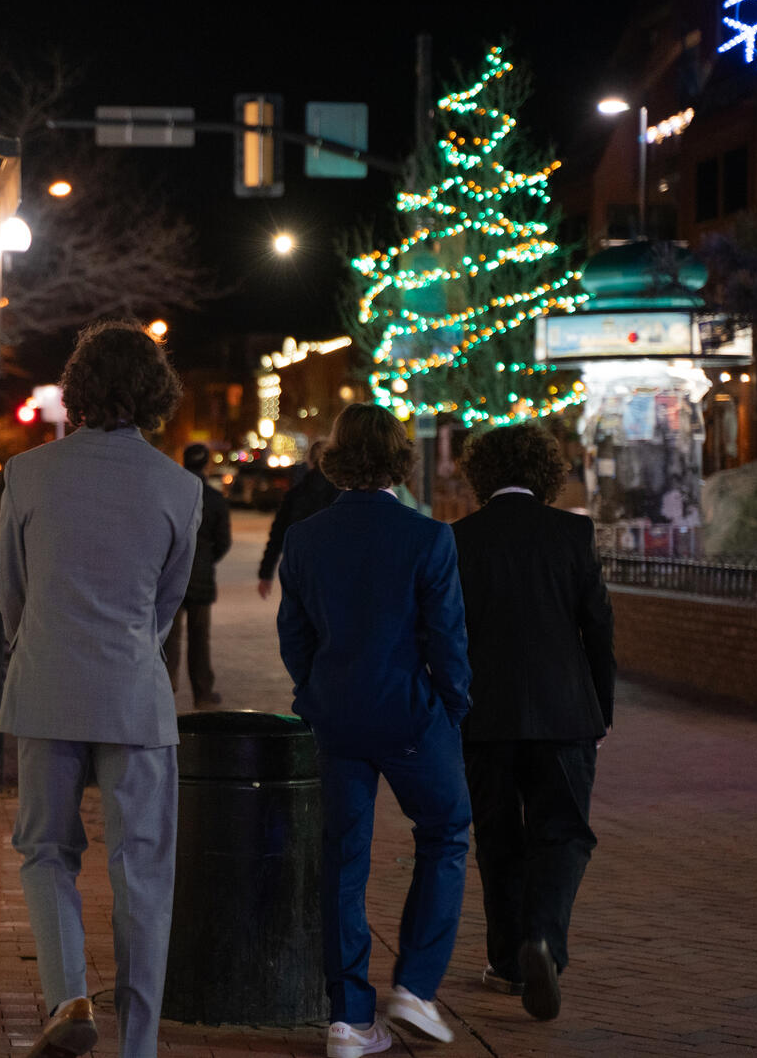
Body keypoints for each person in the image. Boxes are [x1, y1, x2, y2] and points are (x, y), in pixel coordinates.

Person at [0, 320, 202, 1058]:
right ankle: (139, 1043)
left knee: (46, 848)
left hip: (47, 684)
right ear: (155, 394)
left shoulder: (28, 474)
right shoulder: (181, 488)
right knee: (142, 868)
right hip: (134, 696)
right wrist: (129, 651)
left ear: (78, 389)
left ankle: (70, 992)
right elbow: (165, 605)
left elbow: (10, 594)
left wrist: (42, 643)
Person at [275, 404, 471, 1058]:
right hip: (412, 714)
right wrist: (452, 705)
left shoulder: (305, 539)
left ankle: (349, 1017)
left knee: (343, 860)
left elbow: (295, 638)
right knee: (444, 833)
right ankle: (415, 983)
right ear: (398, 458)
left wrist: (315, 691)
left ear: (336, 457)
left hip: (335, 717)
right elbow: (447, 640)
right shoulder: (429, 538)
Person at [452, 424, 615, 1022]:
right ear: (547, 472)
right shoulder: (571, 532)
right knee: (564, 833)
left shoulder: (459, 538)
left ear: (481, 474)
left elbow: (446, 633)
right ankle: (543, 940)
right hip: (563, 712)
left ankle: (504, 960)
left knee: (497, 839)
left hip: (484, 715)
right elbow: (597, 626)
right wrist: (602, 707)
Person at [164, 442, 232, 708]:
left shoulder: (171, 495)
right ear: (206, 464)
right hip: (201, 577)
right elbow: (223, 541)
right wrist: (205, 561)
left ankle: (167, 687)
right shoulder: (215, 499)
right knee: (199, 637)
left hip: (171, 575)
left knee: (169, 636)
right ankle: (203, 693)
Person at [257, 439, 341, 599]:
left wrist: (265, 573)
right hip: (332, 570)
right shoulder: (341, 495)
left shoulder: (295, 494)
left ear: (309, 461)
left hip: (298, 568)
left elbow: (277, 535)